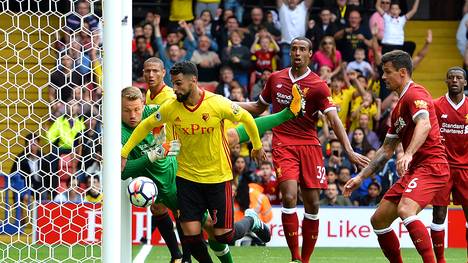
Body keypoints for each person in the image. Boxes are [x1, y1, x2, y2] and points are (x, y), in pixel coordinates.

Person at [123, 61, 306, 263]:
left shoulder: (173, 97)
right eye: (147, 71)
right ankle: (181, 256)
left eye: (155, 71)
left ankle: (287, 114)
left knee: (219, 231)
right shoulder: (155, 99)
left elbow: (244, 116)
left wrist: (256, 144)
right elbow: (148, 124)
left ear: (164, 73)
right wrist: (127, 152)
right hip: (186, 168)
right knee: (192, 227)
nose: (150, 75)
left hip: (206, 159)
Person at [237, 37, 369, 263]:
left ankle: (305, 259)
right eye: (293, 49)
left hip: (309, 146)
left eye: (302, 49)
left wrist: (348, 150)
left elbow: (335, 119)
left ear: (310, 55)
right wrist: (226, 103)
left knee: (312, 204)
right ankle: (294, 257)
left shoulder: (318, 85)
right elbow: (258, 107)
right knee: (289, 197)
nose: (297, 52)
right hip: (283, 144)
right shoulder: (276, 78)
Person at [344, 50, 449, 263]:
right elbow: (386, 150)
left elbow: (425, 123)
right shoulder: (397, 108)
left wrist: (408, 153)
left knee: (405, 209)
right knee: (379, 220)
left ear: (402, 72)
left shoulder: (415, 94)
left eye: (387, 72)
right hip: (415, 169)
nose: (383, 77)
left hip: (432, 165)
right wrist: (360, 177)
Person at [431, 67, 468, 263]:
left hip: (465, 169)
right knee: (438, 214)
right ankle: (440, 260)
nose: (454, 80)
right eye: (451, 77)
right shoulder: (436, 105)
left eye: (459, 78)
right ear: (446, 81)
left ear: (465, 83)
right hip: (442, 168)